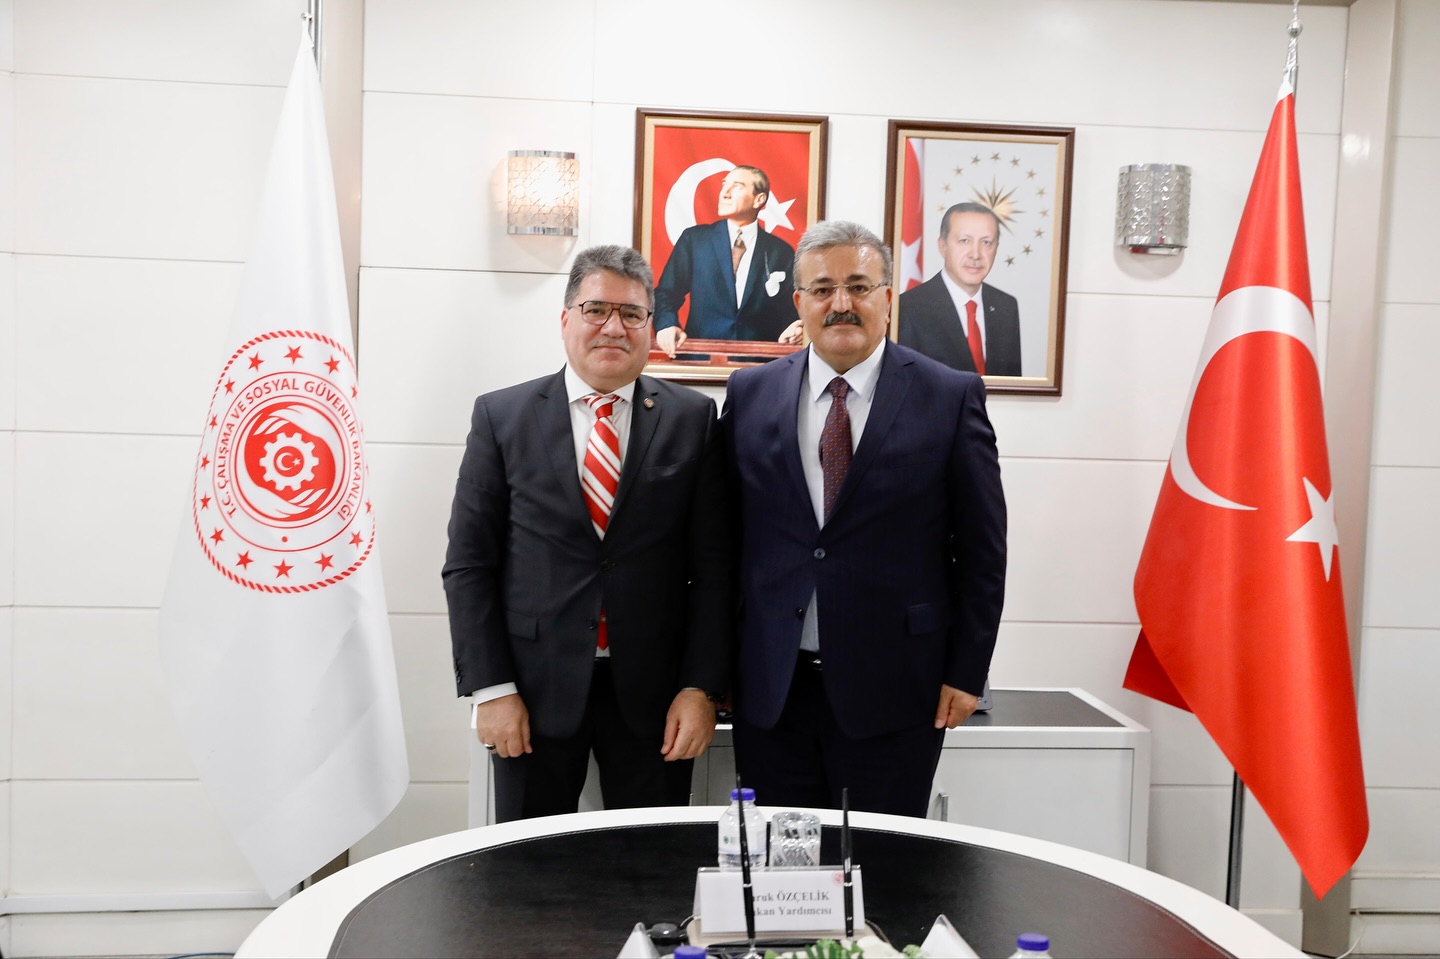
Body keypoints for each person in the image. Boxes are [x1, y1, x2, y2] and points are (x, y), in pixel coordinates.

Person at [720, 220, 1006, 818]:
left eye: (858, 285)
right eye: (822, 289)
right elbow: (722, 542)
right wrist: (711, 671)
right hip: (772, 687)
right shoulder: (749, 393)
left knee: (883, 861)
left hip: (899, 688)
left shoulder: (950, 395)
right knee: (782, 866)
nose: (841, 303)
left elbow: (983, 551)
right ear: (799, 302)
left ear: (887, 297)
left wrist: (967, 671)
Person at [443, 244, 732, 822]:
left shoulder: (693, 418)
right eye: (596, 309)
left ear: (649, 326)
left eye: (632, 314)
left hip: (656, 698)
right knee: (531, 863)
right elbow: (470, 564)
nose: (613, 327)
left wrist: (701, 688)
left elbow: (716, 570)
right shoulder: (502, 417)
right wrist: (491, 689)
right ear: (565, 319)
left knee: (649, 859)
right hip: (531, 692)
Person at [654, 165, 799, 355]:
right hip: (700, 359)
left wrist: (795, 328)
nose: (724, 193)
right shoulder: (695, 240)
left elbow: (790, 310)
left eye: (737, 186)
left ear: (759, 199)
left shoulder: (781, 251)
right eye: (724, 185)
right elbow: (666, 294)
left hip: (760, 363)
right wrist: (666, 325)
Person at [898, 201, 1021, 376]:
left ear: (996, 248)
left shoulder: (1006, 306)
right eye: (964, 241)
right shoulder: (908, 308)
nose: (976, 254)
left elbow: (1012, 386)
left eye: (986, 242)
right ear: (942, 246)